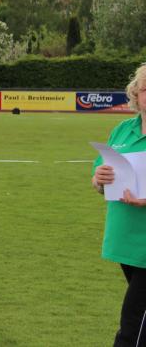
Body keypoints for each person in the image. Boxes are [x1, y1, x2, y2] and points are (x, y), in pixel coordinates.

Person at [91, 63, 146, 346]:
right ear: (136, 94)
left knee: (131, 327)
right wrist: (99, 179)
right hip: (125, 241)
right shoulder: (123, 130)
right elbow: (99, 176)